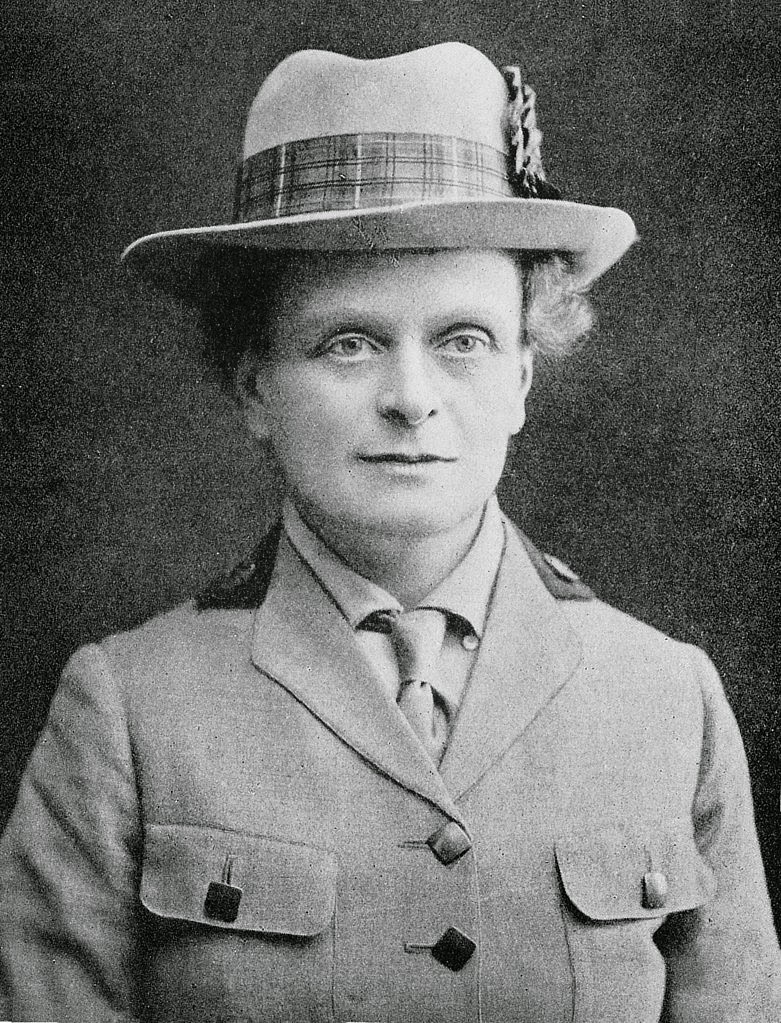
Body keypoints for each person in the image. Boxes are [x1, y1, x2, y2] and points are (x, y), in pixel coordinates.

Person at [0, 40, 778, 1023]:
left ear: (522, 377)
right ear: (254, 384)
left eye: (463, 341)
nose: (411, 397)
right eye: (349, 342)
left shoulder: (667, 700)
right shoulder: (128, 711)